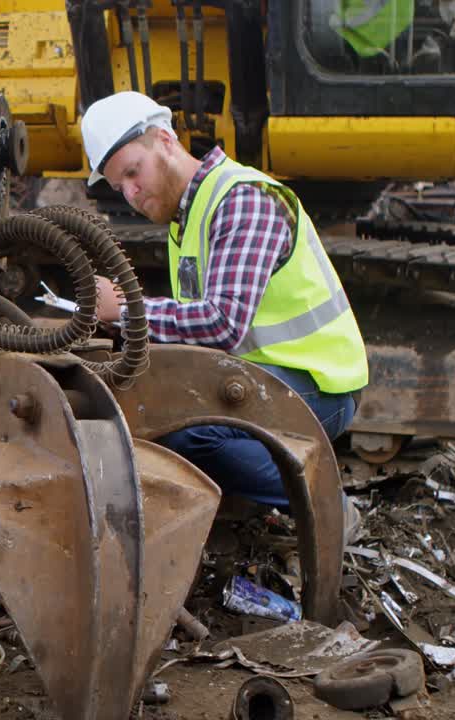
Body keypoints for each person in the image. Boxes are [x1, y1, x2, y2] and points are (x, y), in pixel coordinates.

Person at [82, 91, 368, 540]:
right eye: (120, 186)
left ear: (164, 140)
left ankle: (326, 503)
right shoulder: (187, 217)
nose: (131, 194)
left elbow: (223, 323)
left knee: (191, 437)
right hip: (259, 379)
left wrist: (127, 311)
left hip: (319, 385)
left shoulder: (241, 200)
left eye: (133, 173)